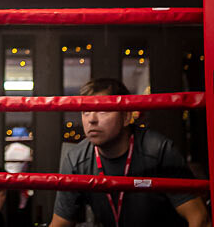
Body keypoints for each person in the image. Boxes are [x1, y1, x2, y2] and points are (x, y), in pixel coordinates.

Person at [49, 78, 210, 227]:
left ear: (126, 117)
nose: (92, 119)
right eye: (86, 111)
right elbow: (60, 224)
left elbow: (199, 218)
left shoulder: (157, 149)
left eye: (103, 110)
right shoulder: (76, 159)